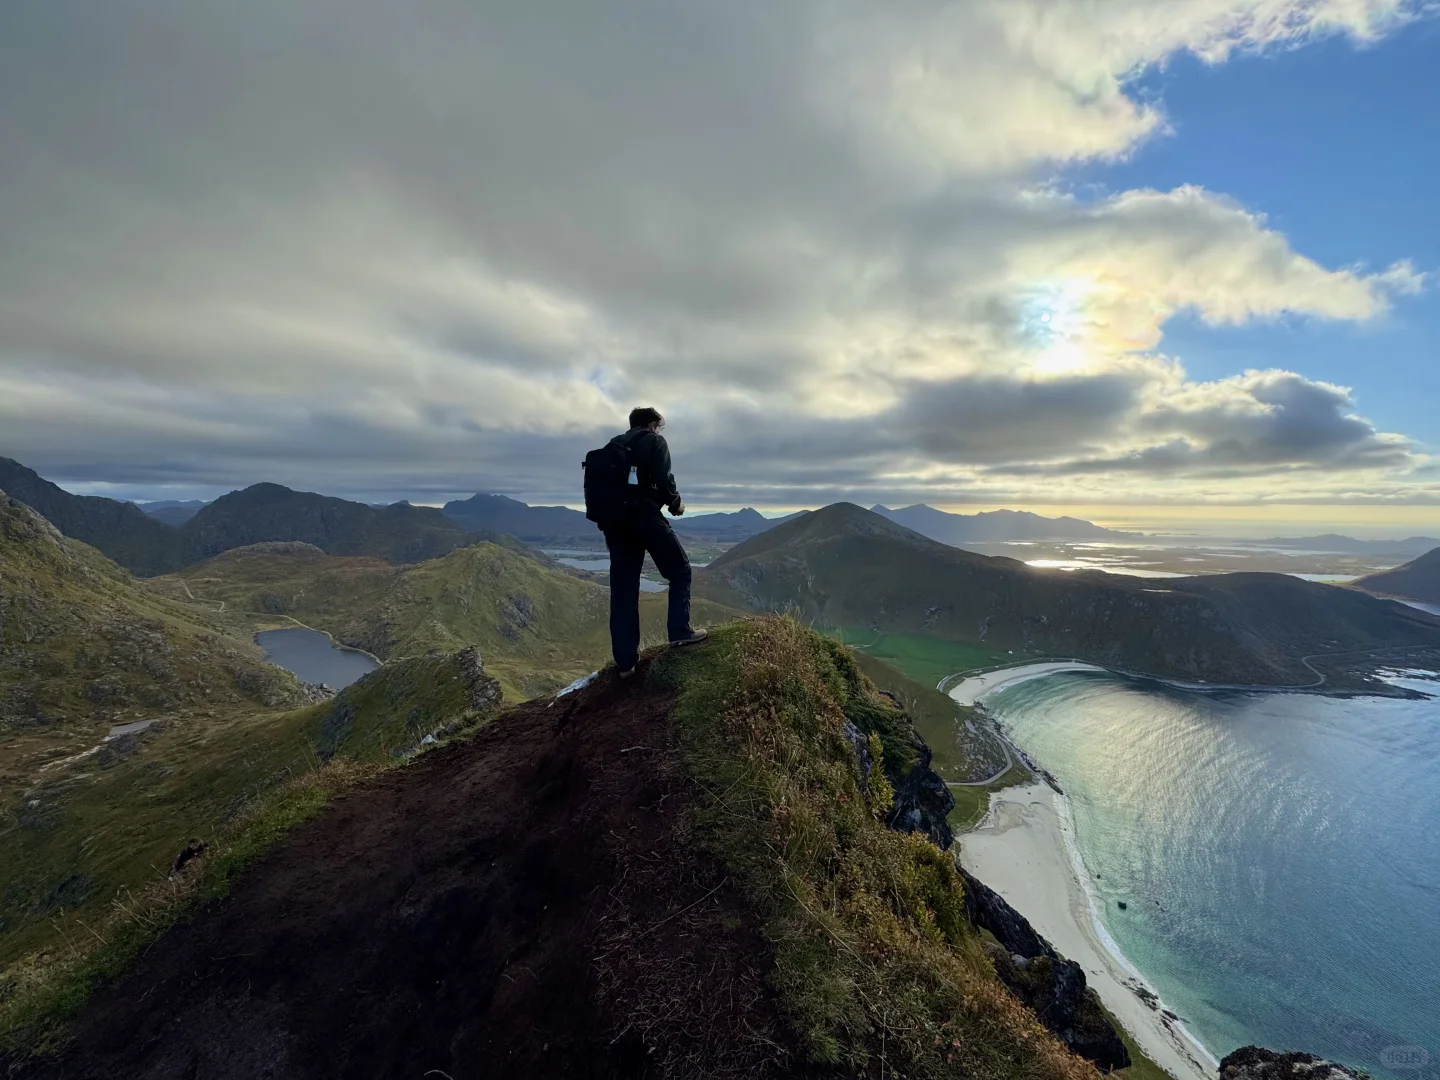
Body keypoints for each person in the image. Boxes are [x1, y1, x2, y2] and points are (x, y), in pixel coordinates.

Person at [601, 406, 706, 676]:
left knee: (623, 590)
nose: (659, 430)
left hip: (615, 523)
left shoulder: (613, 446)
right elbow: (663, 477)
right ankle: (680, 632)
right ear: (652, 425)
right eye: (658, 426)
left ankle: (625, 664)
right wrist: (675, 503)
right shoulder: (654, 441)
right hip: (644, 516)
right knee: (680, 570)